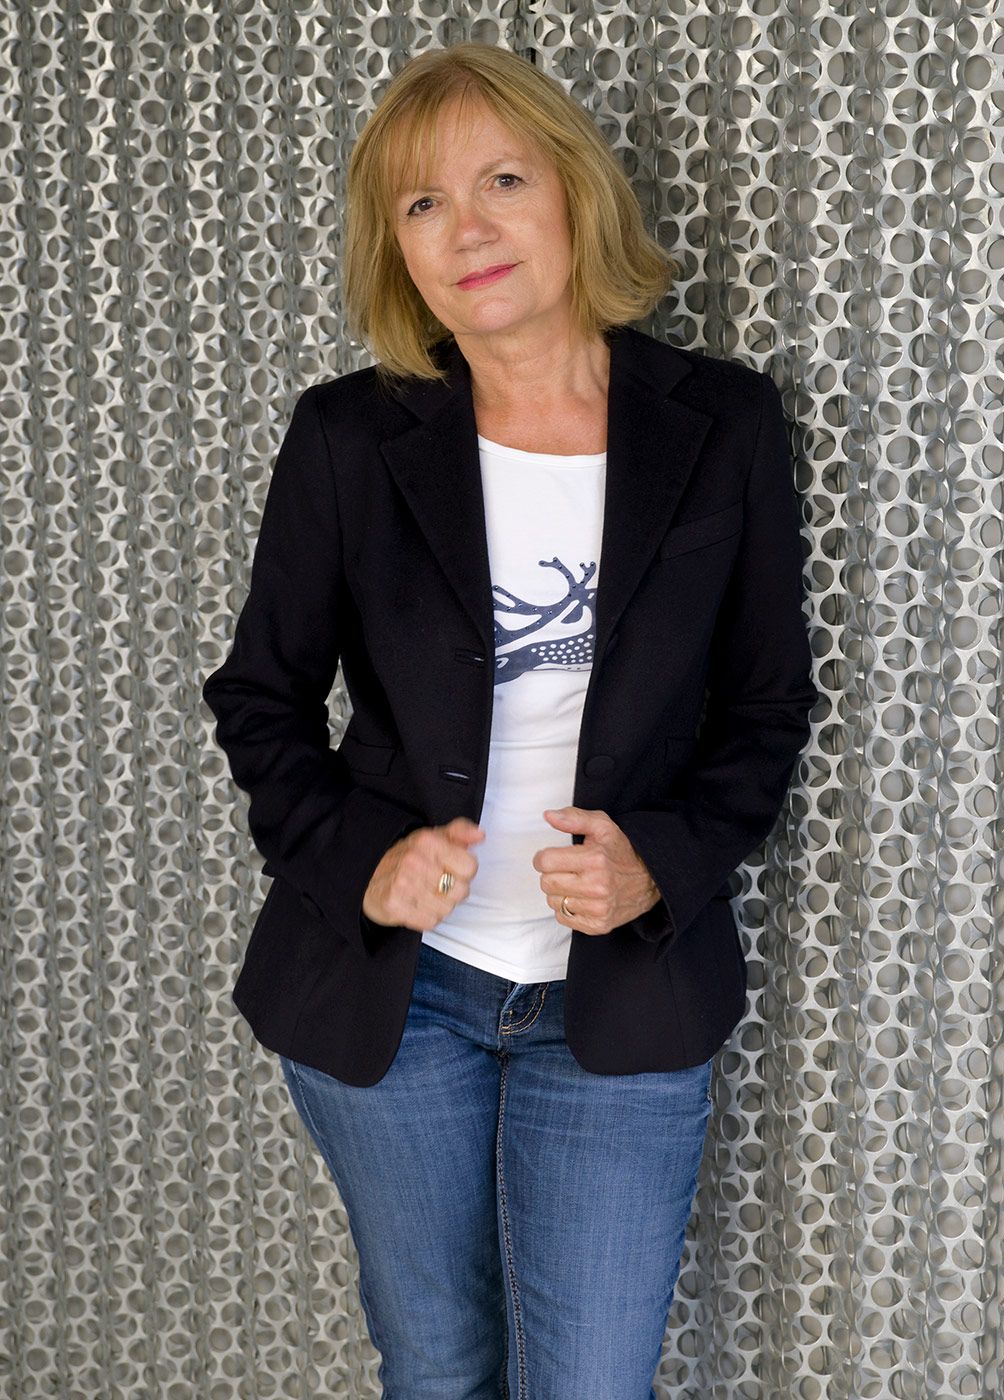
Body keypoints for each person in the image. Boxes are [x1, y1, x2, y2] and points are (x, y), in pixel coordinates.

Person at [201, 40, 818, 1400]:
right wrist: (363, 860)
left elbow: (769, 702)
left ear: (575, 192)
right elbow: (260, 696)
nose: (468, 228)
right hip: (399, 989)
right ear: (398, 249)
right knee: (439, 1367)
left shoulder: (720, 423)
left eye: (502, 180)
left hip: (624, 988)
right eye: (422, 203)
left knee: (589, 1381)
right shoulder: (349, 439)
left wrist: (662, 859)